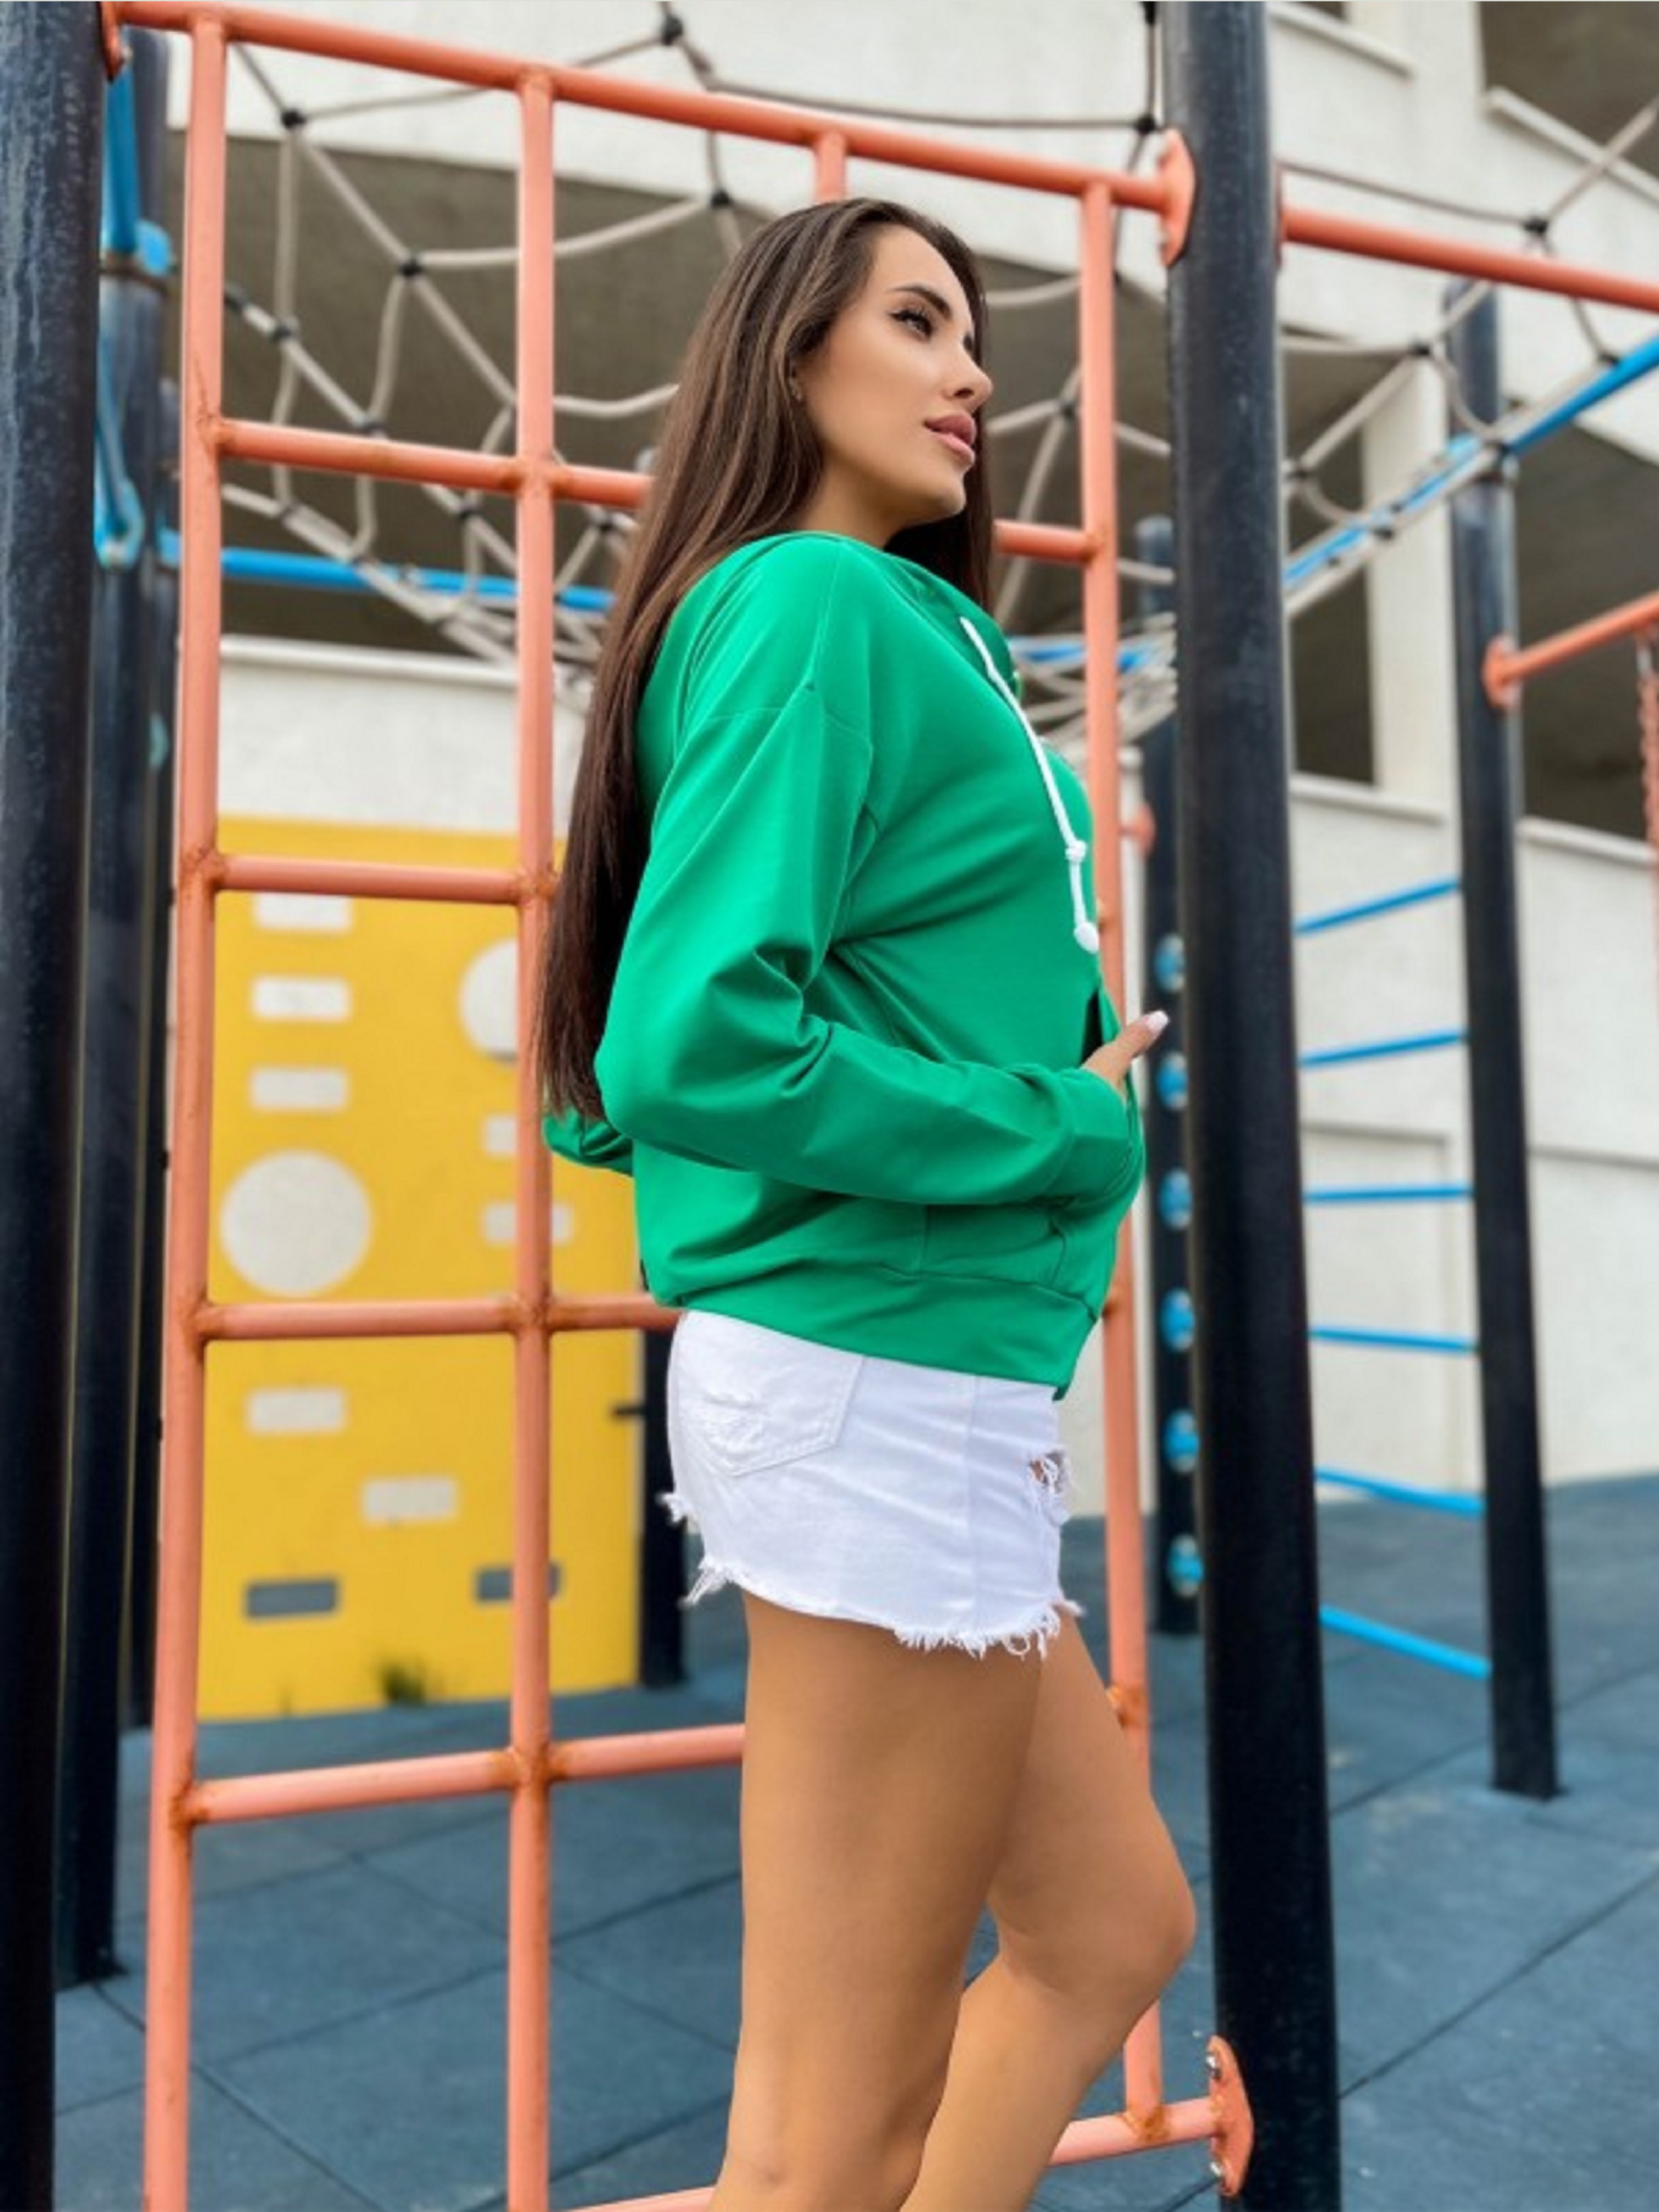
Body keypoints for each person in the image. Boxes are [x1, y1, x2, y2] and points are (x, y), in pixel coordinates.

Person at [535, 197, 1194, 2212]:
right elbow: (686, 1048)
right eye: (915, 319)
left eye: (974, 332)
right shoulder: (811, 600)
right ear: (788, 353)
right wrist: (1056, 1126)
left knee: (1109, 1932)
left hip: (914, 1376)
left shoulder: (878, 621)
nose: (970, 370)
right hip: (876, 1380)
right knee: (822, 2149)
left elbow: (621, 1093)